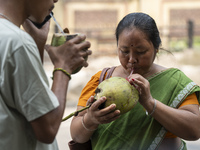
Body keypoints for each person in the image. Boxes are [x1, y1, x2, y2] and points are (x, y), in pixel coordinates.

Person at [70, 12, 200, 150]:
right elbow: (76, 136)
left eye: (141, 51)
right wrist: (91, 119)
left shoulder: (175, 82)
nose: (131, 59)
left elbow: (194, 131)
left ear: (156, 49)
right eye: (124, 51)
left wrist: (150, 103)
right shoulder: (101, 80)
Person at [0, 0, 92, 149]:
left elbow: (27, 99)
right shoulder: (18, 43)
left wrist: (37, 44)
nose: (56, 0)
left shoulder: (9, 37)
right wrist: (63, 66)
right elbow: (48, 128)